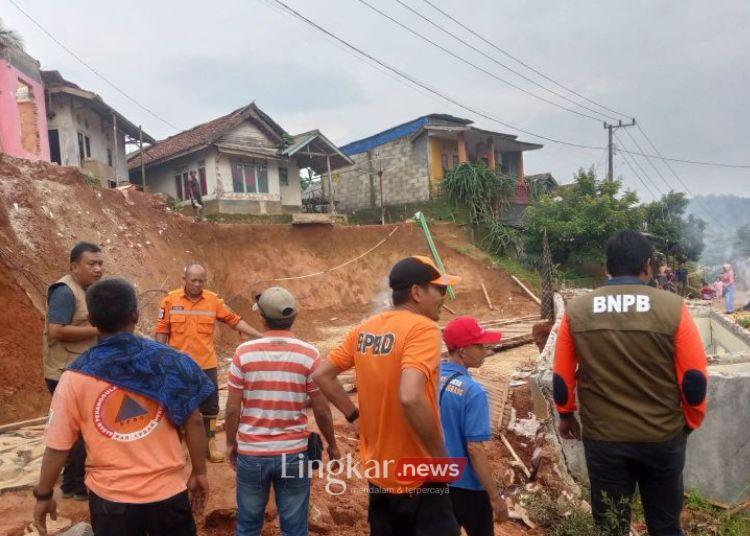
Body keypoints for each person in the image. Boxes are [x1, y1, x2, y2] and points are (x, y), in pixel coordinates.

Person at [553, 230, 708, 536]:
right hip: (662, 437)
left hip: (605, 439)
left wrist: (566, 414)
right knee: (665, 526)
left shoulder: (578, 310)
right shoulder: (674, 308)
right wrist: (688, 424)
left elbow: (561, 376)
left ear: (606, 266)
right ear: (648, 265)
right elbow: (694, 380)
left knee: (611, 526)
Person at [33, 278, 214, 536]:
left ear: (93, 321)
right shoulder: (171, 362)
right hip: (168, 493)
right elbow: (194, 419)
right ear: (136, 315)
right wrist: (199, 472)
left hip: (111, 501)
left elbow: (57, 446)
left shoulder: (74, 377)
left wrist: (44, 495)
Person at [314, 255, 462, 536]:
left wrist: (354, 416)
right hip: (419, 473)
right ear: (417, 292)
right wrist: (441, 458)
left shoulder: (365, 329)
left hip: (380, 470)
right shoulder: (424, 329)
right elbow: (410, 396)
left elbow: (322, 375)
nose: (444, 296)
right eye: (439, 290)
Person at [225, 287, 341, 536]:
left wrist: (230, 443)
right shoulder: (309, 354)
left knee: (247, 526)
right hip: (294, 454)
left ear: (263, 318)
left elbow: (233, 408)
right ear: (294, 316)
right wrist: (332, 444)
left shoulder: (243, 354)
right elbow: (321, 409)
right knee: (295, 528)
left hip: (252, 453)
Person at [156, 263, 263, 462]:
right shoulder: (170, 300)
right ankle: (181, 446)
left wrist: (259, 335)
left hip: (206, 364)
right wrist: (160, 359)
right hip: (179, 366)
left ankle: (209, 445)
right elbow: (162, 330)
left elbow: (234, 320)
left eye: (201, 281)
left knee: (210, 407)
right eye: (193, 280)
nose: (197, 284)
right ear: (184, 279)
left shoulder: (213, 301)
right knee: (177, 405)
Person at [42, 242, 104, 500]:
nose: (98, 269)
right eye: (92, 264)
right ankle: (76, 487)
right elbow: (56, 330)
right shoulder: (65, 292)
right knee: (79, 430)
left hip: (78, 370)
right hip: (62, 372)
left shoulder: (86, 289)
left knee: (79, 429)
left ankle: (71, 484)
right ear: (74, 266)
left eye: (100, 264)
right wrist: (99, 331)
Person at [439, 316, 508, 536]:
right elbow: (475, 448)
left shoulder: (428, 378)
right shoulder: (473, 392)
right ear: (462, 351)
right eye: (479, 345)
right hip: (466, 484)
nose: (485, 350)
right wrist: (495, 498)